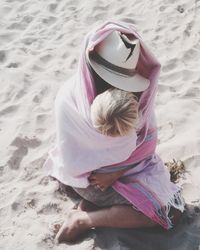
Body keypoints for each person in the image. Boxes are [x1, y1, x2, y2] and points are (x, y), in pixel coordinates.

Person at [44, 21, 185, 243]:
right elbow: (83, 160)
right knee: (167, 211)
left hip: (104, 171)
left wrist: (117, 170)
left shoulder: (109, 95)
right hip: (94, 179)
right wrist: (114, 173)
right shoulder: (88, 106)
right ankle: (83, 220)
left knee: (167, 204)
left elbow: (141, 143)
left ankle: (88, 209)